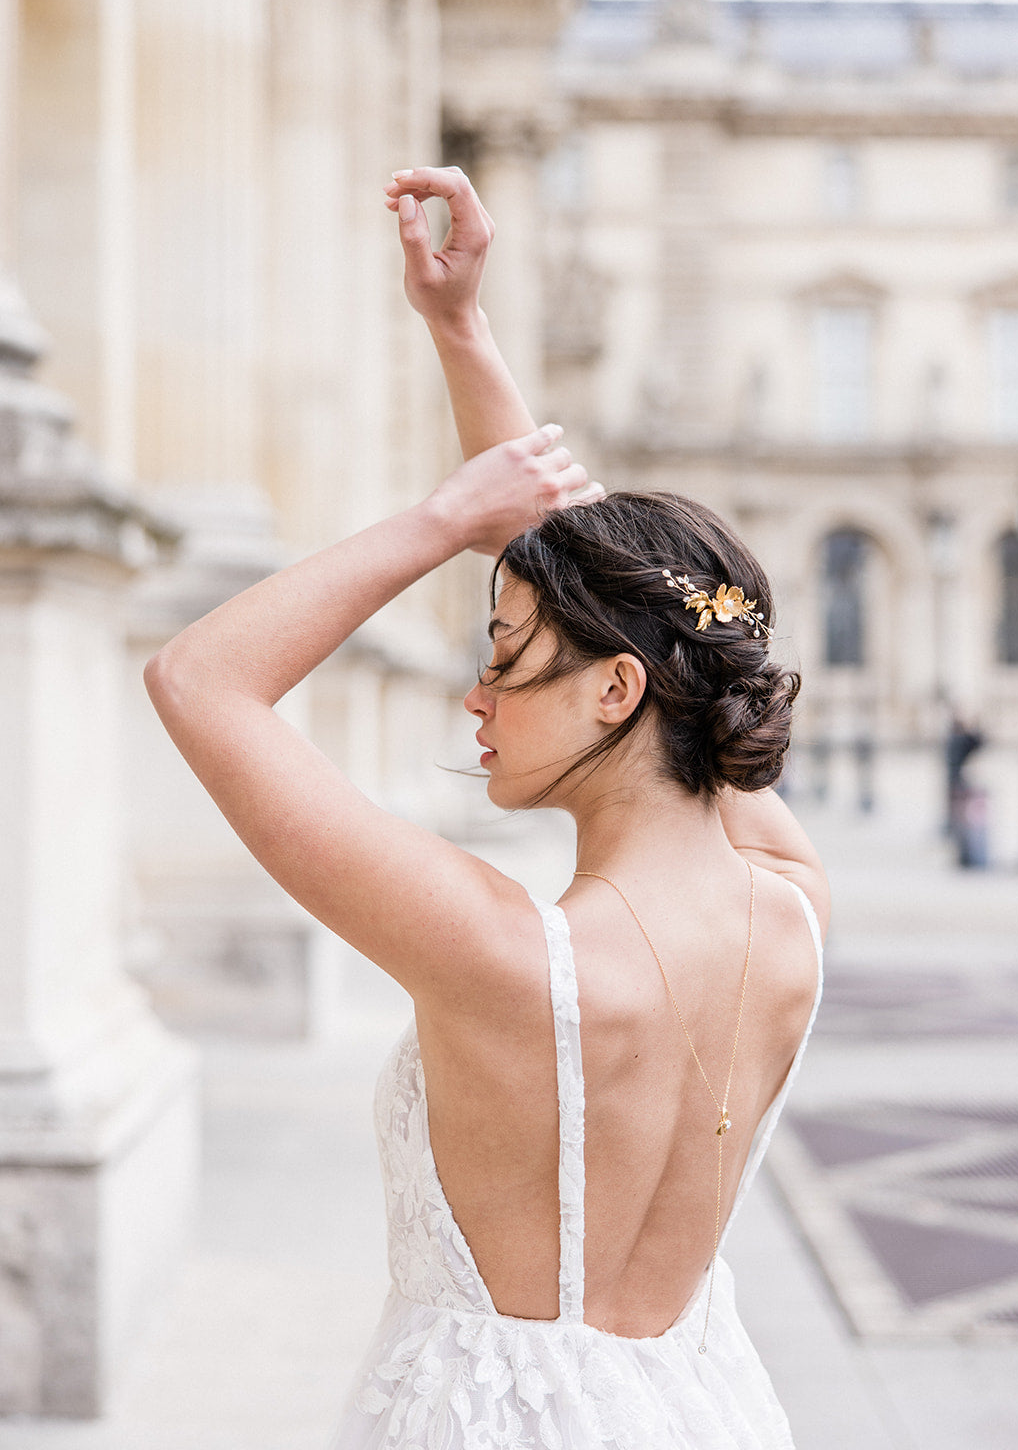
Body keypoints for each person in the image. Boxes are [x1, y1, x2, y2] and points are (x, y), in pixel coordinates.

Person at [145, 166, 830, 1449]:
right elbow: (624, 595)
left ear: (618, 688)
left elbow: (199, 679)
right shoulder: (790, 906)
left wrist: (440, 518)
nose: (475, 697)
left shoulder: (504, 956)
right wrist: (460, 333)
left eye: (504, 655)